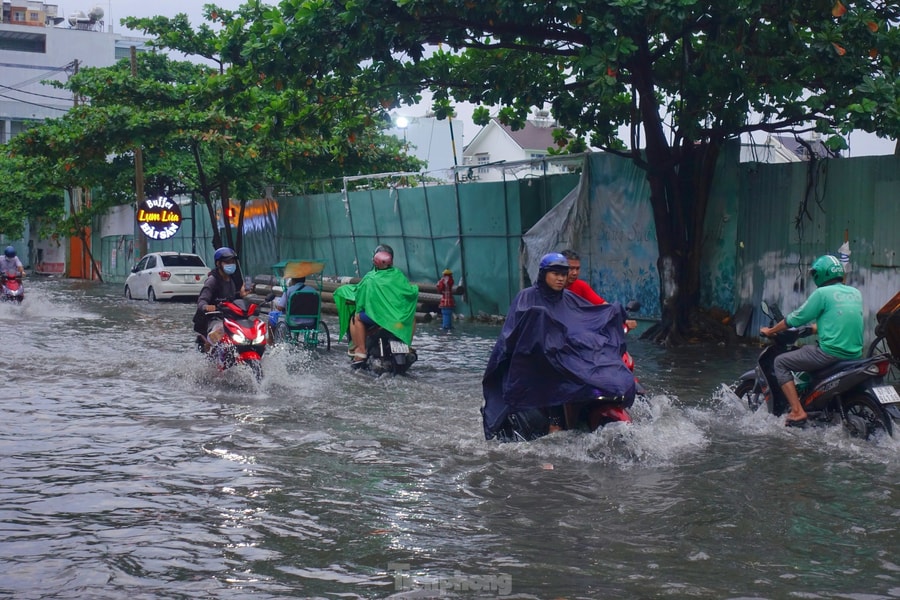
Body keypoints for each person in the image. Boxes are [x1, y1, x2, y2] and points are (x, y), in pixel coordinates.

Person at [481, 252, 636, 440]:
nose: (561, 278)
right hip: (534, 357)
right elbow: (514, 332)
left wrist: (616, 315)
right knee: (553, 372)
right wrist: (539, 329)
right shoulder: (527, 297)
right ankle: (555, 422)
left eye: (564, 274)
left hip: (564, 352)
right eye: (556, 274)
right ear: (544, 274)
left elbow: (588, 316)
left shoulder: (569, 298)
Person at [760, 254, 864, 426]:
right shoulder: (855, 292)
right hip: (855, 355)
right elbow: (839, 319)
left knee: (780, 362)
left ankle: (797, 411)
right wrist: (814, 328)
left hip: (830, 354)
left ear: (820, 274)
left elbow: (795, 318)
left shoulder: (822, 293)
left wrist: (770, 330)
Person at [334, 244, 419, 367]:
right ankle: (407, 345)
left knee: (357, 317)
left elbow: (359, 296)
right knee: (412, 317)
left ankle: (361, 351)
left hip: (377, 318)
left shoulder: (370, 278)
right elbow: (410, 293)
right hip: (397, 319)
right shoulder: (399, 276)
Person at [561, 248, 637, 330]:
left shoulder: (581, 286)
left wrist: (624, 319)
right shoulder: (548, 290)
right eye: (571, 268)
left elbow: (604, 306)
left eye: (577, 269)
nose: (575, 273)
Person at [193, 247, 248, 346]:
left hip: (228, 317)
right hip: (212, 318)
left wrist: (240, 295)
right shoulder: (212, 280)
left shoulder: (231, 280)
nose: (231, 265)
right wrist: (206, 307)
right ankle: (210, 348)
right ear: (218, 264)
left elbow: (230, 299)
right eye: (227, 262)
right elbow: (202, 300)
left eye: (232, 262)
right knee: (219, 330)